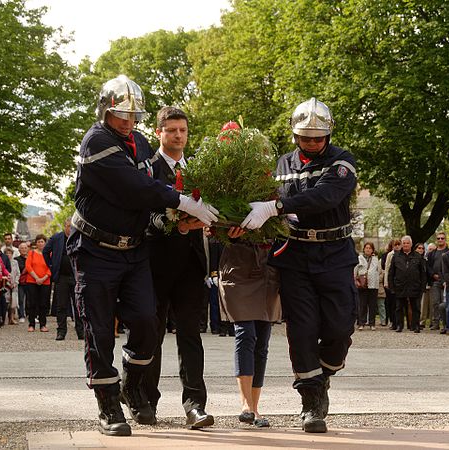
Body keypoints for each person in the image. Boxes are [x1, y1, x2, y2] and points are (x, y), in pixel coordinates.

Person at [66, 75, 217, 437]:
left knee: (148, 322)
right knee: (99, 329)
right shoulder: (97, 142)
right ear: (106, 111)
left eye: (134, 115)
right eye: (122, 114)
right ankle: (108, 405)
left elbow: (146, 194)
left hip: (133, 250)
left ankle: (131, 384)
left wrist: (177, 213)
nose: (128, 121)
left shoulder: (139, 141)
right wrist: (179, 201)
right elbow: (136, 188)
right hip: (95, 250)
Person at [241, 98, 358, 433]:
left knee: (339, 328)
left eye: (318, 138)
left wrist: (275, 205)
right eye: (306, 138)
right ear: (294, 135)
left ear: (328, 135)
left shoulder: (342, 162)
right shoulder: (282, 164)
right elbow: (262, 200)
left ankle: (324, 375)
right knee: (301, 331)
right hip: (295, 256)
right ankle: (311, 402)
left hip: (334, 254)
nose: (312, 143)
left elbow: (324, 197)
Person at [140, 106, 215, 428]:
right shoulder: (147, 169)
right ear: (159, 132)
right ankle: (145, 403)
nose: (178, 136)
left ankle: (195, 405)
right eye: (171, 130)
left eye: (183, 130)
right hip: (154, 266)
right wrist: (179, 225)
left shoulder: (199, 170)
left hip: (191, 267)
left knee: (190, 337)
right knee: (150, 336)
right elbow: (142, 217)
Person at [218, 227, 281, 428]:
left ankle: (255, 407)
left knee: (262, 342)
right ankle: (245, 404)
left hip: (267, 267)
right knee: (246, 334)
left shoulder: (279, 198)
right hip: (238, 267)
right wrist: (228, 233)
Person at [44, 219, 82, 341]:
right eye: (68, 227)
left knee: (78, 305)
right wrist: (51, 266)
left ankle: (81, 332)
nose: (70, 229)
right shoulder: (56, 238)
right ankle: (61, 332)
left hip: (76, 276)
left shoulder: (78, 237)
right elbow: (45, 251)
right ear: (64, 227)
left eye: (72, 227)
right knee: (61, 306)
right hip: (61, 277)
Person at [388, 236, 426, 333]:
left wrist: (422, 287)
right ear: (401, 244)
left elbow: (422, 273)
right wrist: (391, 287)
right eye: (404, 243)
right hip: (400, 286)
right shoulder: (396, 256)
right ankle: (399, 326)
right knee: (399, 307)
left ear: (411, 244)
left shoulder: (418, 256)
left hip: (414, 286)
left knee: (416, 307)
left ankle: (415, 326)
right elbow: (391, 272)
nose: (405, 245)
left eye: (407, 243)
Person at [25, 234, 51, 333]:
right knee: (32, 303)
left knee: (43, 304)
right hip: (32, 281)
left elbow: (51, 267)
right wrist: (36, 278)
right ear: (36, 243)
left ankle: (43, 324)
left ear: (45, 243)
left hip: (45, 281)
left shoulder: (49, 254)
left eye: (42, 241)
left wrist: (43, 278)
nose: (40, 243)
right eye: (39, 241)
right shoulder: (31, 253)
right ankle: (31, 324)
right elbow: (28, 266)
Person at [354, 242, 380, 331]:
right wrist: (355, 281)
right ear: (364, 249)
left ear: (372, 250)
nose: (368, 249)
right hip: (362, 284)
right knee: (362, 304)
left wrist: (377, 283)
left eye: (370, 248)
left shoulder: (376, 259)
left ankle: (372, 323)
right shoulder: (359, 258)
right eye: (366, 248)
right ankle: (362, 323)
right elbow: (355, 270)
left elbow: (378, 271)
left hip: (373, 285)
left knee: (372, 305)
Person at [426, 232, 449, 331]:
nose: (440, 240)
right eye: (438, 238)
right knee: (435, 303)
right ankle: (435, 323)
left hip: (447, 282)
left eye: (442, 238)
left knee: (445, 303)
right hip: (435, 281)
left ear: (445, 239)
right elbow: (428, 267)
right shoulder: (432, 253)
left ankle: (446, 324)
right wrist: (433, 275)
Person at [383, 239, 402, 330]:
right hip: (391, 282)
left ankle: (399, 322)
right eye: (395, 245)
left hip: (400, 282)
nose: (397, 246)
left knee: (399, 304)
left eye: (399, 245)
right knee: (392, 303)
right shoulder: (390, 255)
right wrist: (386, 282)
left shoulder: (403, 254)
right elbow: (387, 269)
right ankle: (393, 322)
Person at [3, 247, 20, 325]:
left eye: (10, 253)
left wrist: (15, 282)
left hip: (14, 285)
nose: (8, 255)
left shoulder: (15, 262)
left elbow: (18, 273)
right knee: (6, 302)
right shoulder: (3, 262)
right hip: (6, 285)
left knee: (14, 303)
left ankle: (12, 318)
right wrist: (8, 283)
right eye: (7, 253)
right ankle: (4, 318)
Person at [15, 242, 29, 322]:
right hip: (20, 282)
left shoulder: (31, 258)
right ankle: (21, 315)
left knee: (30, 300)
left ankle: (30, 314)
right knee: (20, 299)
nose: (24, 249)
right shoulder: (16, 259)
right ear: (19, 250)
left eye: (25, 248)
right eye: (22, 248)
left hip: (30, 281)